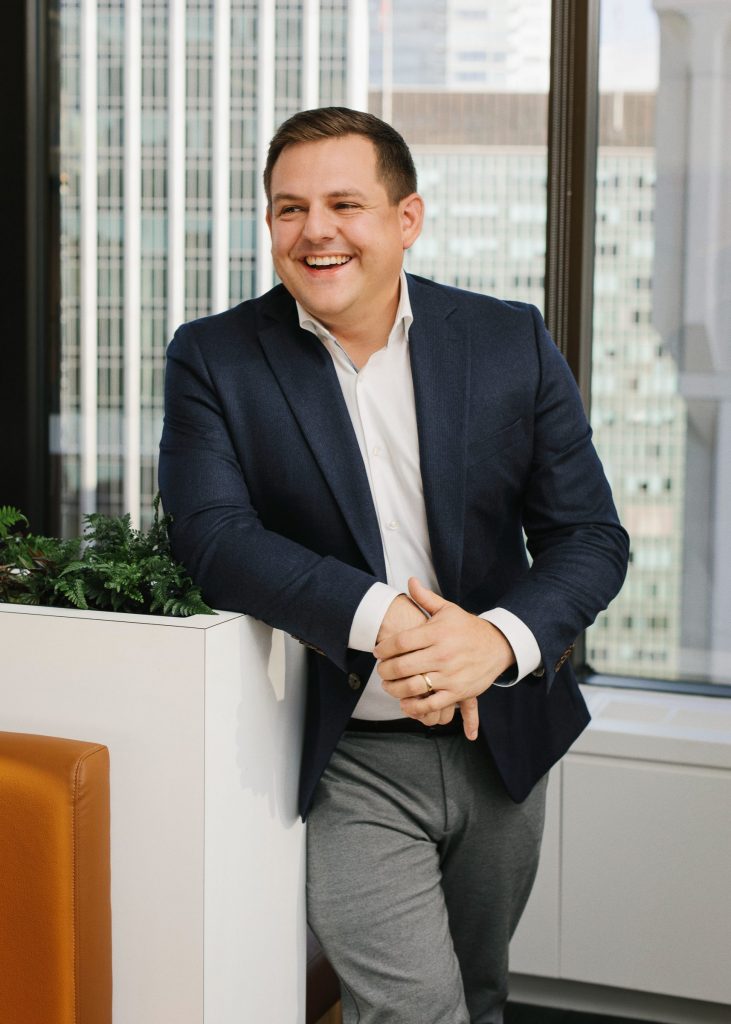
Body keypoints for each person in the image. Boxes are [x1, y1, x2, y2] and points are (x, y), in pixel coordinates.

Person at [159, 106, 629, 1024]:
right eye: (289, 208)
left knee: (479, 995)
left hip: (502, 740)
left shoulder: (507, 339)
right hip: (348, 755)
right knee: (413, 1010)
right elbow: (211, 538)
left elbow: (589, 537)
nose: (315, 231)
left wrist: (495, 641)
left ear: (406, 218)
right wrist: (386, 620)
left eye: (344, 204)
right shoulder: (214, 356)